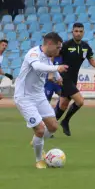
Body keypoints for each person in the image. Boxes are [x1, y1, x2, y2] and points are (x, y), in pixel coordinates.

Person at [14, 33, 68, 168]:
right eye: (57, 47)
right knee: (40, 129)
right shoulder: (33, 53)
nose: (58, 50)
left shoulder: (48, 57)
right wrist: (57, 68)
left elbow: (48, 65)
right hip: (24, 97)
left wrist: (57, 76)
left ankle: (37, 141)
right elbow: (38, 66)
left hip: (39, 96)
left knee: (53, 127)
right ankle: (39, 160)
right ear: (49, 44)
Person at [54, 23, 95, 136]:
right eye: (76, 31)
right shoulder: (66, 45)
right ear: (72, 32)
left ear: (83, 33)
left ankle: (49, 126)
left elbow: (91, 60)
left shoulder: (85, 47)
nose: (78, 33)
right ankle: (65, 121)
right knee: (80, 101)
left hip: (73, 79)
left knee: (63, 104)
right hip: (64, 78)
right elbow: (54, 55)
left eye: (80, 31)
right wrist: (52, 71)